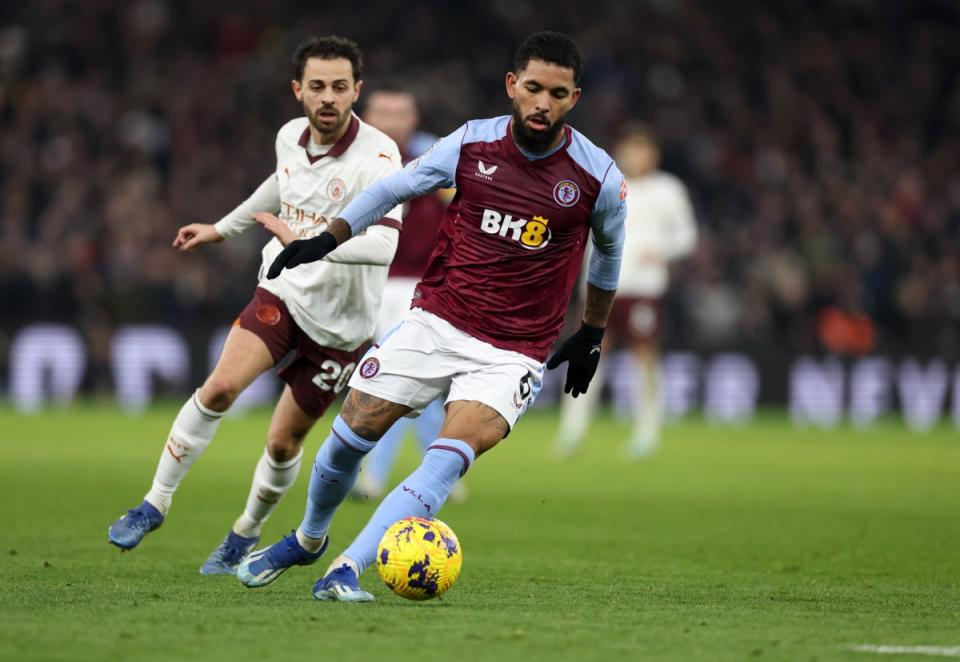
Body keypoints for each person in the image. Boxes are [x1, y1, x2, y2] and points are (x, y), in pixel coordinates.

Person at [236, 31, 627, 602]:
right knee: (348, 439)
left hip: (513, 351)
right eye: (535, 88)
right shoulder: (472, 143)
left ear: (575, 98)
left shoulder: (598, 178)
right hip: (435, 321)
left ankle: (345, 567)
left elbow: (609, 254)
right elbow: (396, 186)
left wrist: (592, 332)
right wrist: (327, 238)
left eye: (559, 94)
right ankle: (310, 536)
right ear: (513, 86)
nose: (544, 103)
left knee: (445, 461)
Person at [107, 36, 405, 576]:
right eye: (317, 86)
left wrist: (309, 244)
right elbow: (279, 186)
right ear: (298, 90)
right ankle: (154, 502)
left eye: (340, 87)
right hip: (283, 290)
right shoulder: (289, 137)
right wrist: (223, 228)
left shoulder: (380, 156)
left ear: (357, 90)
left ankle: (245, 532)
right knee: (218, 387)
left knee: (283, 441)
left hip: (341, 328)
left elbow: (385, 245)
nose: (329, 98)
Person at [554, 123, 697, 458]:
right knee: (588, 354)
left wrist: (660, 250)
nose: (635, 156)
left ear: (653, 154)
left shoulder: (667, 189)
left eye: (642, 149)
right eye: (630, 149)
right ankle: (571, 431)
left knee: (644, 358)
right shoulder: (604, 184)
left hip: (643, 287)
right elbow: (587, 238)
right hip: (601, 287)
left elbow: (687, 236)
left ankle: (647, 433)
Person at [351, 85, 464, 502]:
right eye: (384, 111)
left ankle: (375, 477)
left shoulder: (436, 162)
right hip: (367, 280)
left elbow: (466, 209)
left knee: (396, 378)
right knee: (412, 384)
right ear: (367, 115)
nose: (393, 120)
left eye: (400, 112)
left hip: (419, 285)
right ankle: (444, 471)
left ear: (413, 119)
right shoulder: (355, 160)